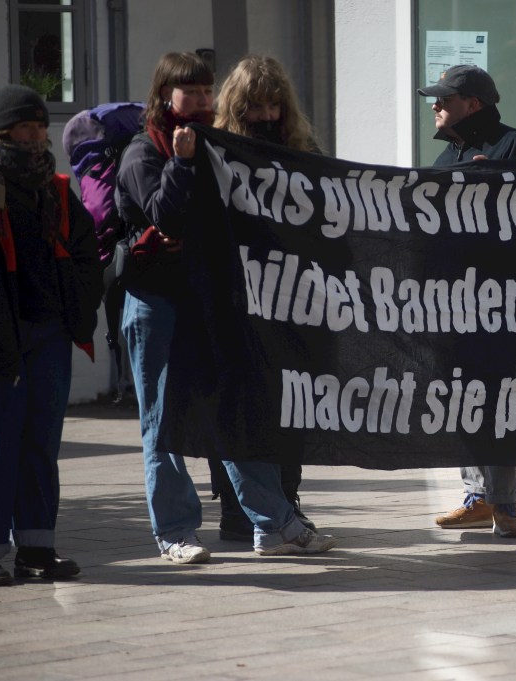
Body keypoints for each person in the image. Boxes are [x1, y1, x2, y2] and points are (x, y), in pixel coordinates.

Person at [115, 52, 336, 563]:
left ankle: (275, 522)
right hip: (156, 305)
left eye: (205, 91)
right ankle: (175, 531)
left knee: (232, 413)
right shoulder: (142, 153)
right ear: (165, 96)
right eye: (188, 91)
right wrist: (183, 162)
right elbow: (165, 215)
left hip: (205, 302)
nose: (199, 100)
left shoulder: (215, 143)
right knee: (163, 423)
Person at [0, 85, 102, 586]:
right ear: (3, 130)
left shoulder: (56, 186)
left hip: (48, 333)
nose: (37, 137)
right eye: (27, 127)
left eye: (42, 127)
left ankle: (37, 550)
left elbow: (87, 252)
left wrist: (75, 310)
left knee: (41, 442)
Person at [416, 64, 516, 537]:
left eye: (444, 100)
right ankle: (477, 496)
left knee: (500, 400)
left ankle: (506, 505)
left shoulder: (515, 145)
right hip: (452, 305)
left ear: (473, 105)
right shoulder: (447, 158)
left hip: (501, 303)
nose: (435, 105)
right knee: (463, 400)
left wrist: (498, 182)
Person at [209, 54, 323, 541]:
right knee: (239, 406)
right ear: (238, 105)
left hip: (292, 299)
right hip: (235, 300)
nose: (267, 116)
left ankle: (286, 500)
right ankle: (240, 512)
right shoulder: (217, 150)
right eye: (256, 105)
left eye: (275, 105)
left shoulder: (305, 150)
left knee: (291, 403)